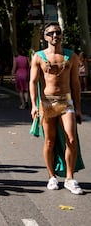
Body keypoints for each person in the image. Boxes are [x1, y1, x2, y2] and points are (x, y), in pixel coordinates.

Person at [29, 22, 84, 195]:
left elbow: (75, 84)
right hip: (46, 103)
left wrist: (79, 108)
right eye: (51, 33)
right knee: (49, 141)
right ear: (45, 36)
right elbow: (33, 82)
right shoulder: (38, 56)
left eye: (58, 32)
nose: (55, 36)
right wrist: (33, 105)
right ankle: (52, 176)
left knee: (71, 139)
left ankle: (69, 178)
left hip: (65, 102)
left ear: (61, 35)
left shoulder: (71, 56)